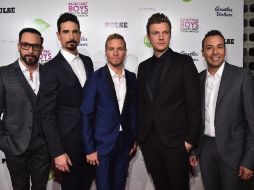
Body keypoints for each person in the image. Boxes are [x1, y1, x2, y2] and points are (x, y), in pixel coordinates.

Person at [137, 13, 201, 190]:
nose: (161, 37)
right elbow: (141, 104)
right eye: (156, 33)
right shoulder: (143, 67)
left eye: (165, 32)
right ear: (148, 37)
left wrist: (189, 141)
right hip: (150, 142)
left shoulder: (184, 63)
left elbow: (194, 105)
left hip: (176, 143)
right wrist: (141, 136)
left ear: (170, 35)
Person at [189, 30, 254, 190]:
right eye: (209, 48)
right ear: (203, 53)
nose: (215, 52)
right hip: (206, 150)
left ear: (225, 49)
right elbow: (198, 119)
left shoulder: (242, 76)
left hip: (234, 152)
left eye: (220, 46)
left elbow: (252, 122)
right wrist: (195, 151)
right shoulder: (198, 78)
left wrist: (249, 160)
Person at [40, 13, 94, 190]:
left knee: (86, 185)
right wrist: (57, 151)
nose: (71, 37)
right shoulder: (50, 68)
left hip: (90, 142)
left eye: (75, 32)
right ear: (58, 35)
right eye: (66, 32)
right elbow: (47, 114)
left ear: (80, 34)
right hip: (68, 146)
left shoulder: (87, 62)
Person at [80, 33, 137, 190]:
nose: (115, 53)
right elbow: (85, 114)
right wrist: (89, 148)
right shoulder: (95, 78)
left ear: (125, 52)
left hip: (124, 143)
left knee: (119, 186)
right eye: (111, 49)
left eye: (119, 49)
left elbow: (133, 111)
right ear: (106, 52)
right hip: (101, 145)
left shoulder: (132, 78)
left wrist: (133, 138)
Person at [0, 28, 50, 190]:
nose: (30, 50)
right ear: (18, 46)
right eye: (26, 45)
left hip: (43, 146)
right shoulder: (4, 74)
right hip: (14, 146)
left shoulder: (48, 73)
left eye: (35, 46)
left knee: (40, 187)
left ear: (41, 49)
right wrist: (4, 142)